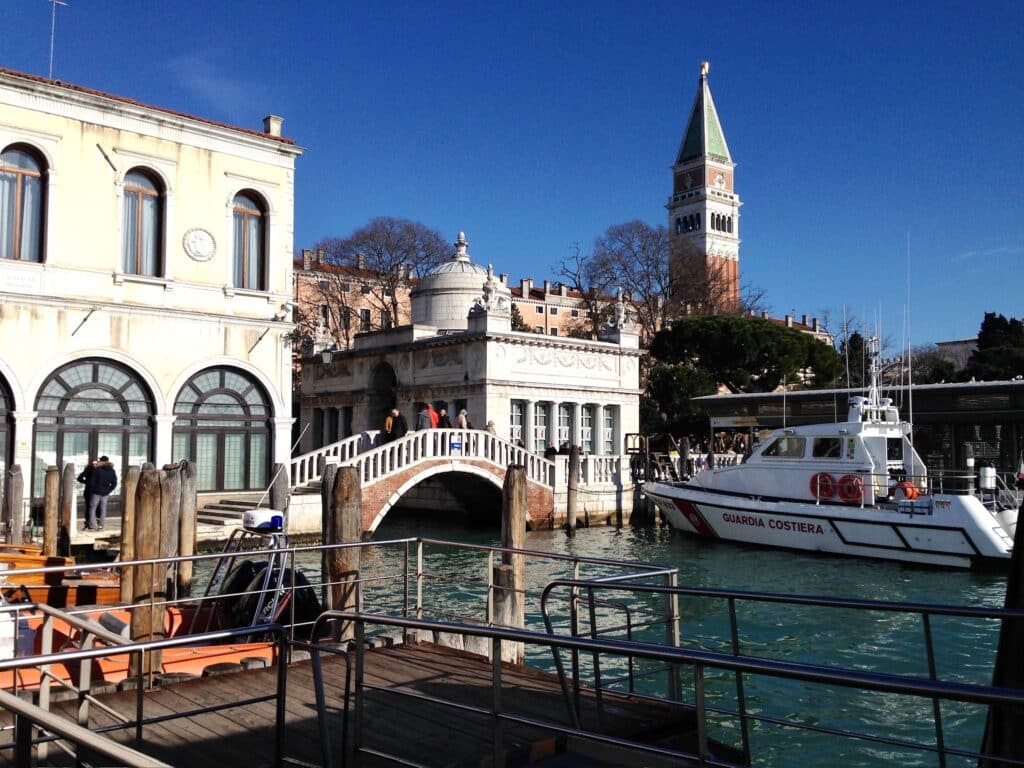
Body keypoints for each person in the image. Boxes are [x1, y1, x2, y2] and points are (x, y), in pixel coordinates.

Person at [84, 455, 117, 530]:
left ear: (101, 461)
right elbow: (114, 483)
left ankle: (92, 526)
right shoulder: (111, 470)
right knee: (103, 509)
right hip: (105, 492)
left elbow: (92, 481)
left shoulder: (97, 470)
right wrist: (109, 490)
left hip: (96, 491)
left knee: (92, 508)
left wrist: (92, 490)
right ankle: (101, 526)